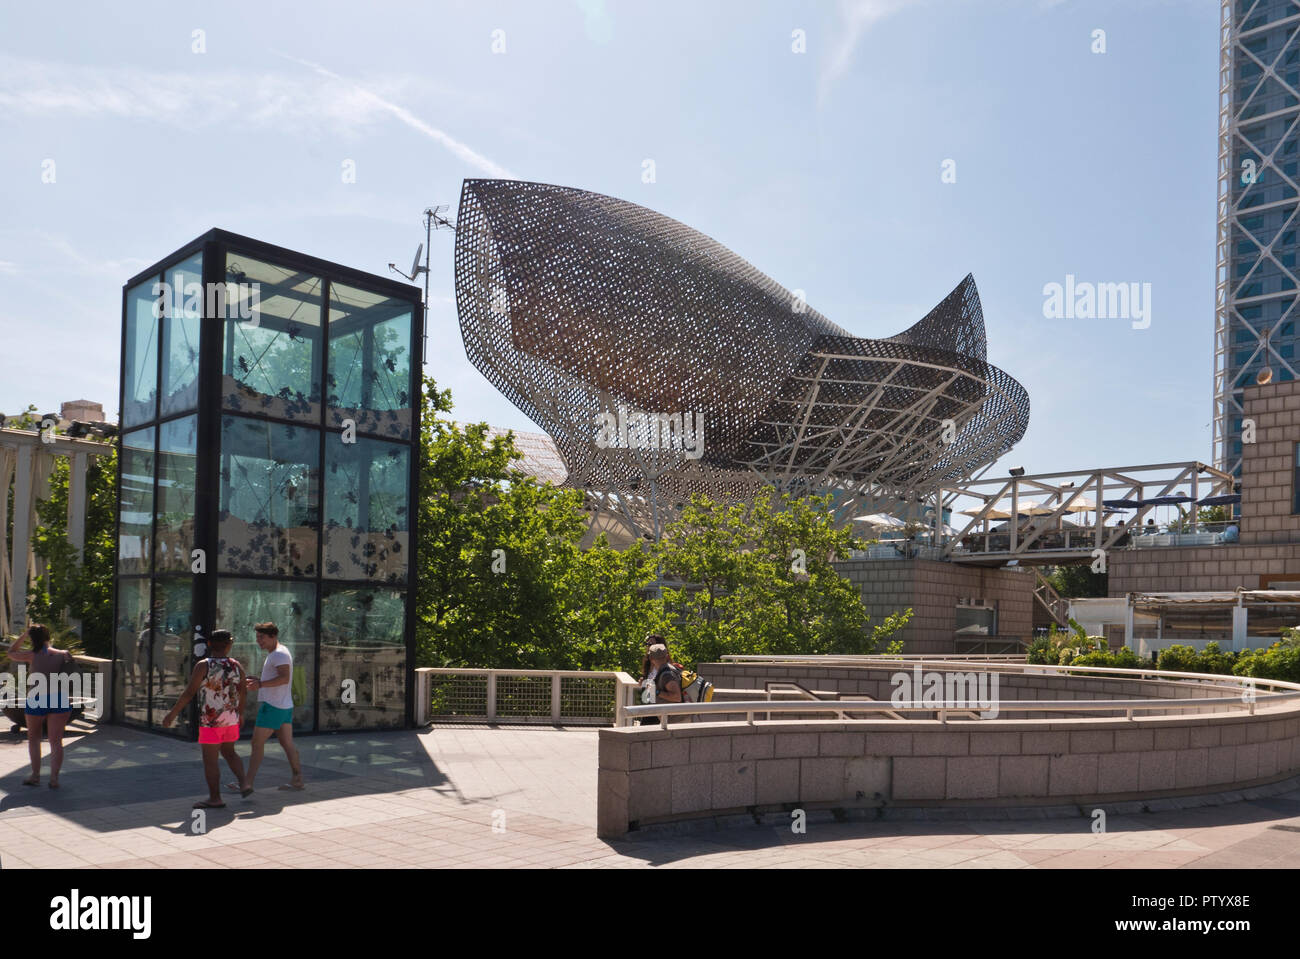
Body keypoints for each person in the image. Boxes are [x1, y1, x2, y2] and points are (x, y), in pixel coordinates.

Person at [161, 629, 249, 809]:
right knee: (230, 752)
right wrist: (240, 713)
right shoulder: (236, 665)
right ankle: (245, 783)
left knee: (211, 760)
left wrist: (172, 714)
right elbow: (243, 691)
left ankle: (215, 798)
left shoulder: (203, 665)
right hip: (231, 718)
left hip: (211, 720)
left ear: (209, 644)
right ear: (229, 645)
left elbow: (189, 693)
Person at [7, 624, 74, 789]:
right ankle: (54, 779)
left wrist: (24, 634)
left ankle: (35, 776)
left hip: (37, 698)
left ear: (32, 638)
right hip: (59, 698)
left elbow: (11, 653)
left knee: (34, 739)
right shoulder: (63, 654)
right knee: (56, 741)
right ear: (48, 636)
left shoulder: (31, 655)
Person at [240, 622, 305, 792]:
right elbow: (280, 678)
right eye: (257, 638)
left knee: (256, 743)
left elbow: (284, 678)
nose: (258, 641)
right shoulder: (279, 652)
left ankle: (247, 783)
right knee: (287, 744)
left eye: (262, 637)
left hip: (273, 706)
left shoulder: (278, 655)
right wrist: (259, 680)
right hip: (284, 705)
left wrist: (260, 684)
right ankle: (297, 780)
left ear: (273, 636)